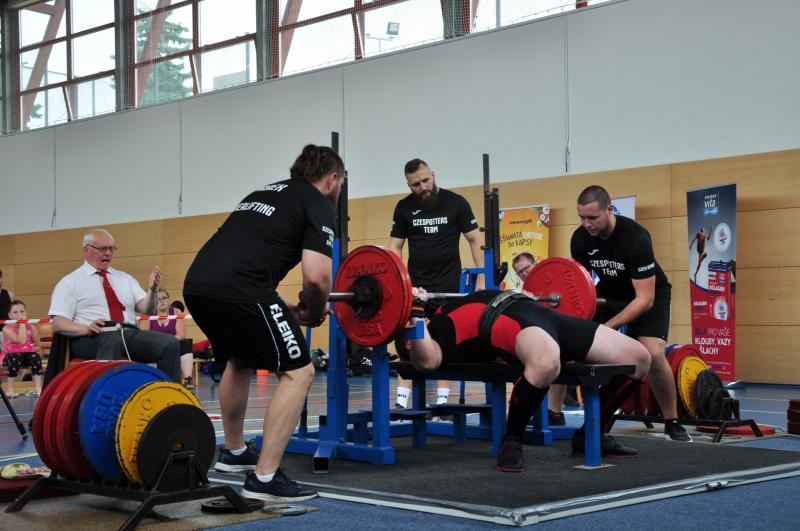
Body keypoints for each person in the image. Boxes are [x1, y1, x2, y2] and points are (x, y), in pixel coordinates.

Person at [183, 144, 344, 502]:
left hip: (198, 285)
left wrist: (291, 310)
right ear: (332, 179)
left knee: (239, 360)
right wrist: (314, 311)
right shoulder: (318, 202)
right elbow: (317, 277)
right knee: (299, 372)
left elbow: (245, 262)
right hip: (242, 287)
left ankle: (234, 452)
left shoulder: (262, 194)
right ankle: (265, 479)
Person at [405, 287, 651, 472]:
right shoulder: (435, 333)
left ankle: (591, 435)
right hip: (509, 321)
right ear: (408, 342)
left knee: (640, 358)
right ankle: (512, 439)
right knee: (546, 364)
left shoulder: (440, 311)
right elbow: (427, 361)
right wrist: (415, 311)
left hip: (541, 313)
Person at [554, 185, 691, 443]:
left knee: (652, 353)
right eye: (582, 217)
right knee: (565, 343)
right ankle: (554, 413)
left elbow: (644, 299)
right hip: (609, 294)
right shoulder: (580, 239)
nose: (587, 224)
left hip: (649, 294)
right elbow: (580, 285)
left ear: (610, 209)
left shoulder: (636, 238)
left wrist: (608, 327)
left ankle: (672, 421)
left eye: (593, 217)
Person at [389, 158, 485, 412]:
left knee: (444, 344)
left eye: (425, 180)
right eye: (416, 184)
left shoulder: (456, 203)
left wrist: (482, 277)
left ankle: (442, 402)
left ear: (433, 175)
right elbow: (395, 246)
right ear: (409, 185)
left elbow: (475, 240)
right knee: (408, 344)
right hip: (416, 290)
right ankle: (401, 402)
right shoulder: (404, 208)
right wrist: (398, 283)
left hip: (449, 288)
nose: (422, 187)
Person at [48, 229, 181, 382]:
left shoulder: (125, 278)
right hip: (92, 336)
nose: (108, 253)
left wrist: (153, 290)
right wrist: (86, 328)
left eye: (111, 249)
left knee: (170, 344)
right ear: (86, 250)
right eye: (103, 249)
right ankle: (105, 392)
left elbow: (148, 310)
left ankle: (170, 393)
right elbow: (58, 323)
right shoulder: (70, 282)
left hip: (128, 333)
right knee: (112, 340)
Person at [140, 289, 194, 389]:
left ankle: (188, 379)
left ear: (168, 299)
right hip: (154, 346)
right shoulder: (148, 313)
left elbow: (181, 335)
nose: (161, 300)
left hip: (172, 345)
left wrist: (167, 343)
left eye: (164, 298)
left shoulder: (176, 312)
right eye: (158, 299)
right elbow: (144, 335)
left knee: (185, 344)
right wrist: (161, 342)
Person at [1, 300, 43, 397]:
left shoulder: (32, 328)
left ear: (26, 313)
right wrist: (22, 323)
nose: (19, 314)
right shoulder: (6, 328)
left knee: (35, 357)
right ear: (10, 315)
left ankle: (38, 388)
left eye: (22, 311)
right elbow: (21, 342)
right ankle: (10, 389)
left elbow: (38, 346)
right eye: (15, 312)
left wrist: (31, 349)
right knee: (15, 357)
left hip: (26, 355)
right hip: (10, 356)